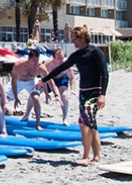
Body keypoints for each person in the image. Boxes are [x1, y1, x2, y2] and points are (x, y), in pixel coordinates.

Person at [37, 26, 108, 166]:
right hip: (83, 93)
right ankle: (97, 156)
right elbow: (60, 69)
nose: (72, 41)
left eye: (74, 38)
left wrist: (103, 95)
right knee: (91, 123)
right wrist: (43, 80)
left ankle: (86, 156)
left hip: (95, 92)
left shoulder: (95, 52)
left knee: (84, 122)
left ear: (82, 38)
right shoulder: (76, 55)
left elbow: (104, 73)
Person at [7, 49, 50, 130]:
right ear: (29, 58)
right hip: (18, 81)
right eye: (34, 60)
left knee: (36, 99)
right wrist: (16, 97)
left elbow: (45, 80)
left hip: (31, 81)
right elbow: (13, 81)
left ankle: (38, 124)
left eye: (37, 60)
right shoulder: (19, 65)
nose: (36, 62)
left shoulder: (40, 67)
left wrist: (47, 93)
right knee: (2, 97)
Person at [42, 48, 76, 125]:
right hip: (50, 78)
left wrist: (73, 89)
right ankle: (26, 114)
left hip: (62, 78)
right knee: (35, 92)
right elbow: (43, 79)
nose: (61, 60)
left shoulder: (66, 64)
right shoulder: (47, 64)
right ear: (53, 58)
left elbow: (72, 78)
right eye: (59, 58)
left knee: (64, 95)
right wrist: (46, 93)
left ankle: (65, 118)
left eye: (62, 58)